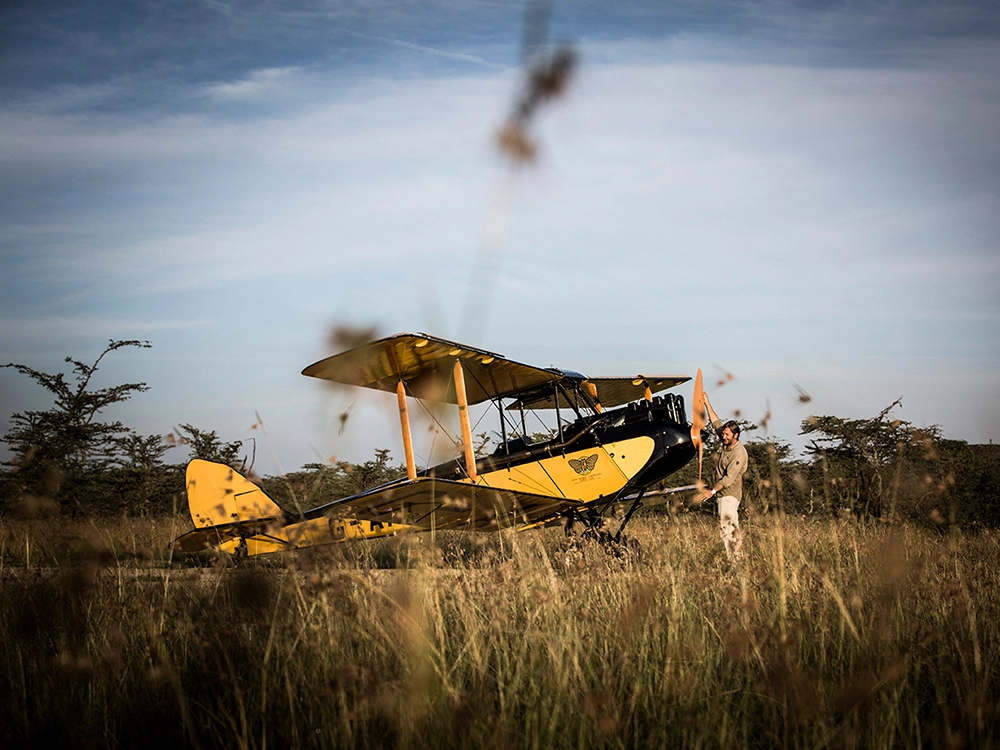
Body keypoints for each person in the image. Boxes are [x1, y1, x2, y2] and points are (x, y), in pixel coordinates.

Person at [701, 393, 749, 562]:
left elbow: (728, 479)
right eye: (724, 434)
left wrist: (711, 492)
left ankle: (735, 559)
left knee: (727, 528)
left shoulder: (738, 453)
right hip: (723, 494)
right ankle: (736, 558)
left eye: (727, 435)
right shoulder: (726, 441)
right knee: (727, 527)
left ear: (735, 436)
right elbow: (716, 423)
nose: (723, 437)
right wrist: (707, 403)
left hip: (729, 494)